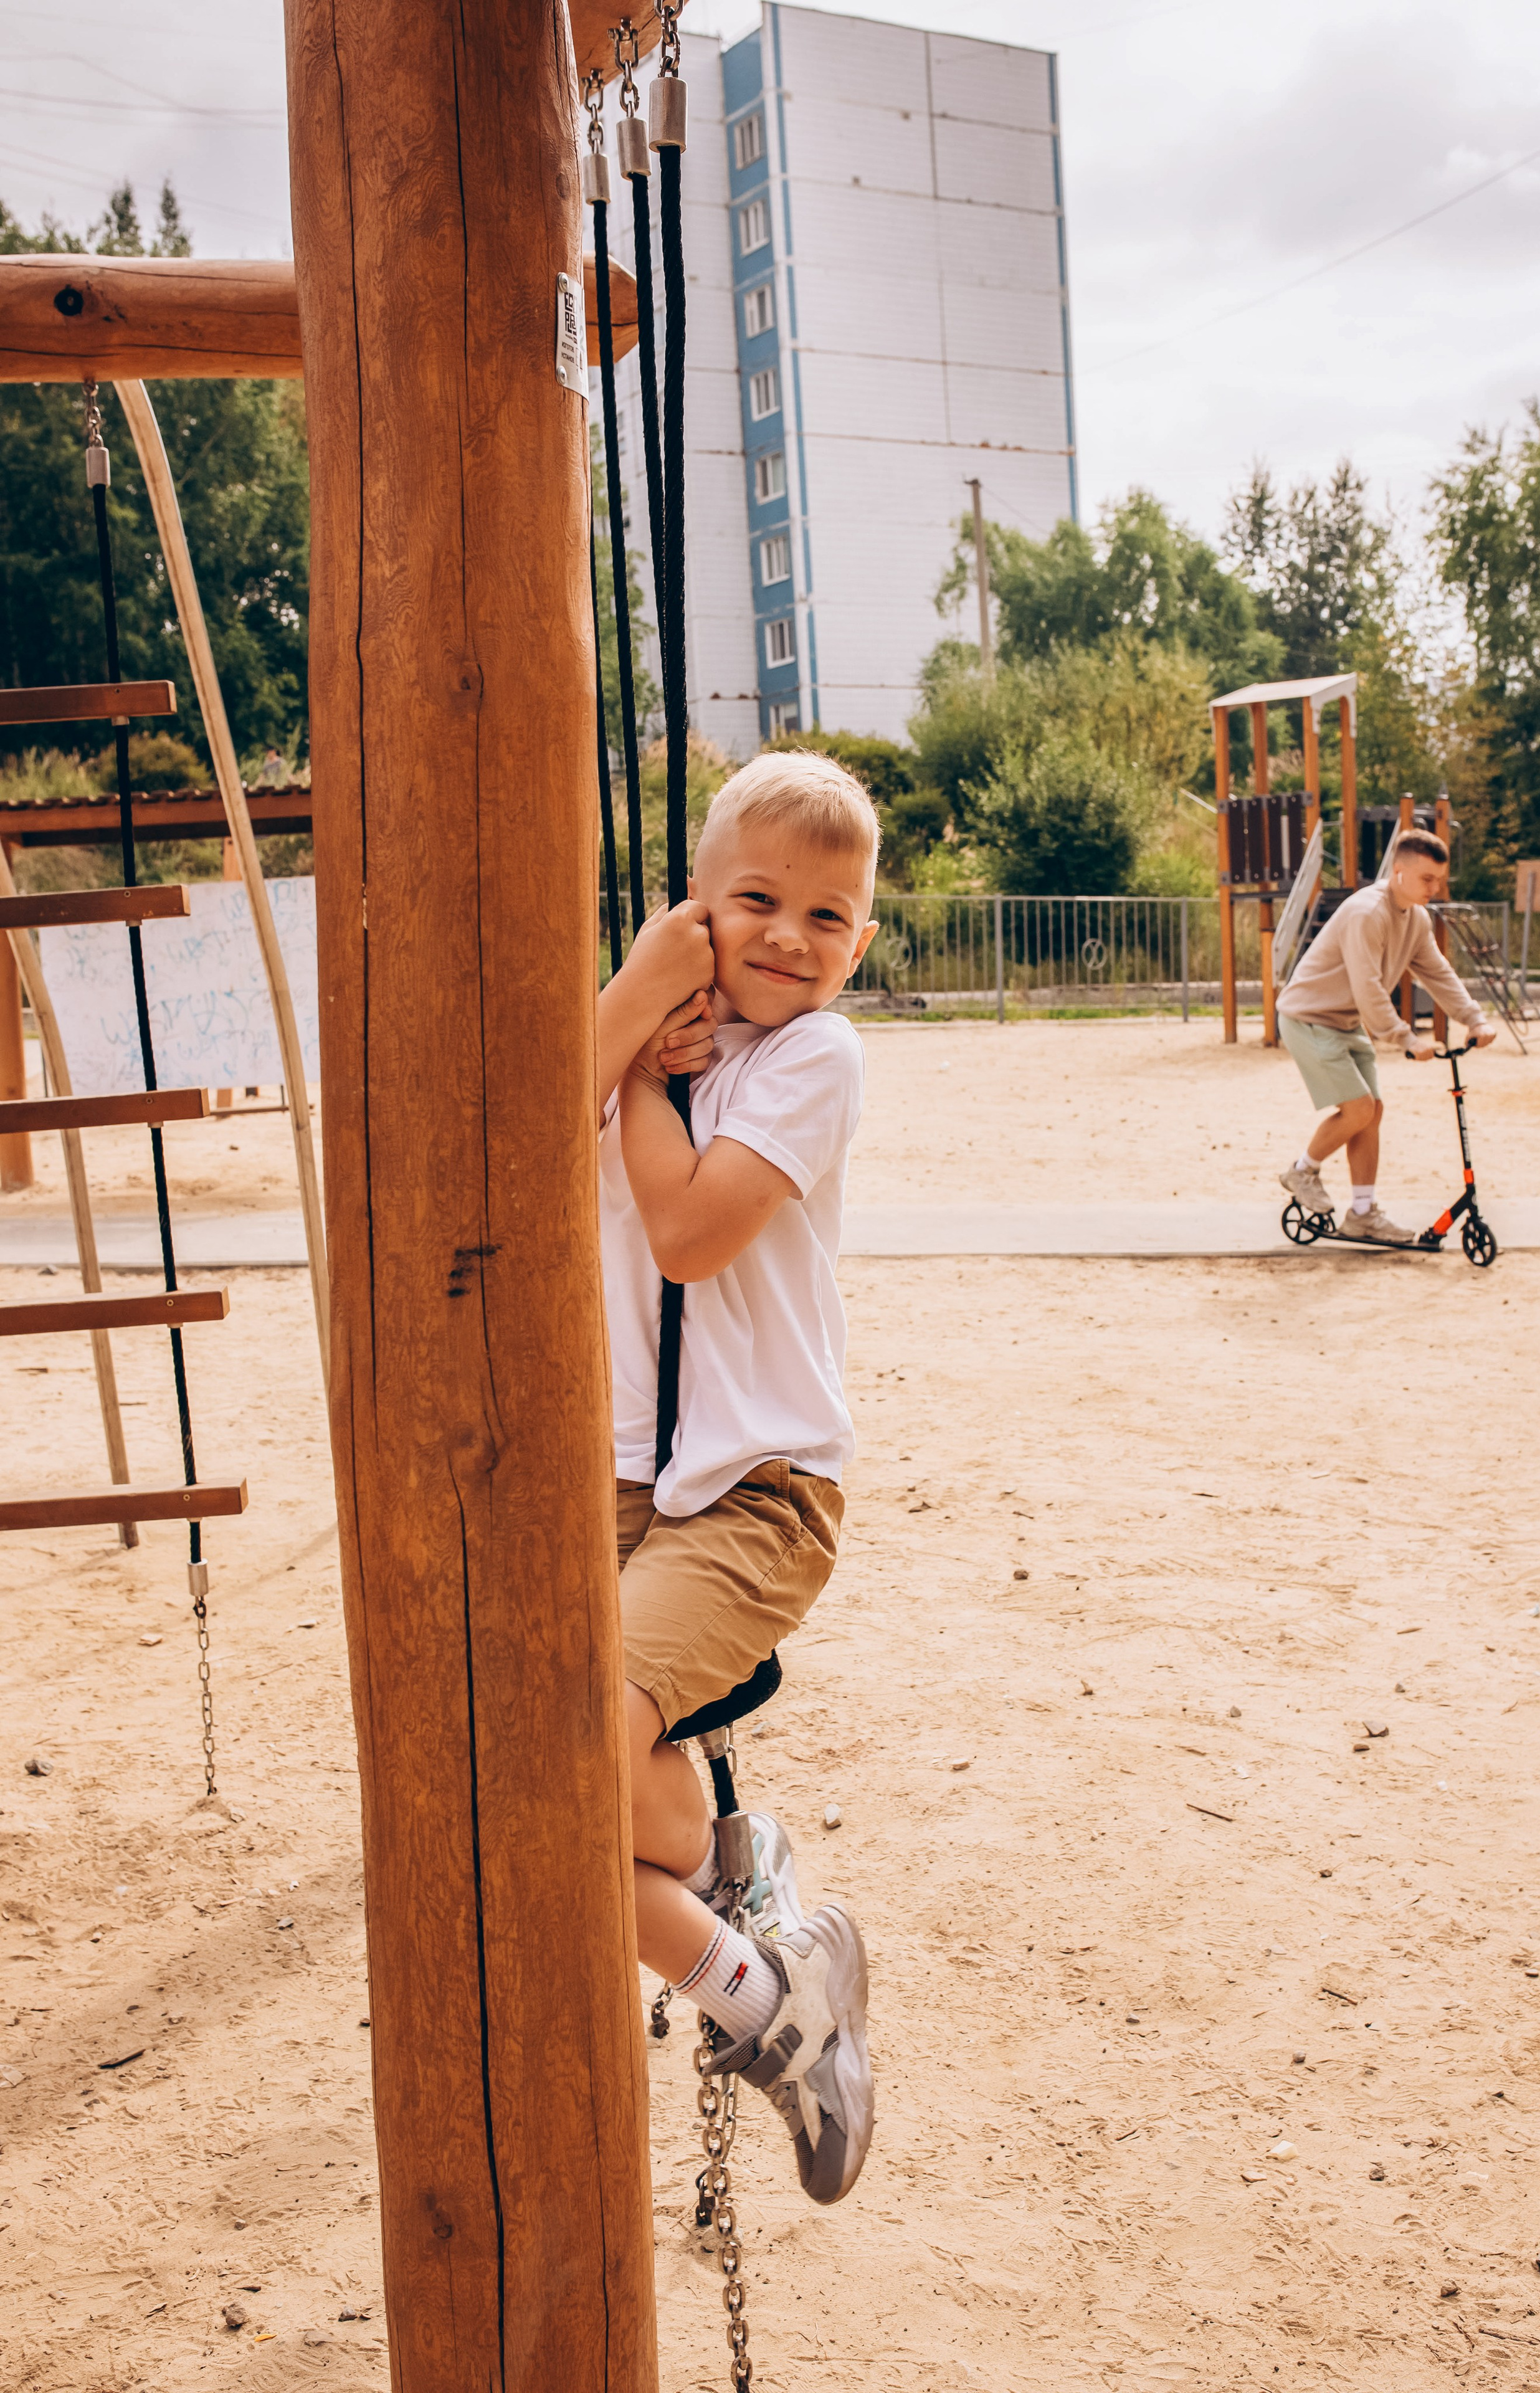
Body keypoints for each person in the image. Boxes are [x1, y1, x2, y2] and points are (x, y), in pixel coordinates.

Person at [595, 749, 880, 2206]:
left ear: (862, 943)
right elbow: (505, 1145)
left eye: (826, 916)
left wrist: (641, 1074)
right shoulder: (643, 1026)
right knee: (524, 1794)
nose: (786, 935)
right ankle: (761, 1963)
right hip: (625, 1483)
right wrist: (629, 1006)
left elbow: (689, 1233)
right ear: (690, 906)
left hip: (760, 1489)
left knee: (555, 1768)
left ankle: (748, 1963)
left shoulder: (813, 1058)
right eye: (754, 899)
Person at [1277, 827, 1495, 1244]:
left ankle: (1362, 1214)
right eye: (1427, 879)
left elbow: (1437, 972)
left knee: (1372, 1112)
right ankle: (1302, 1171)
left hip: (1345, 1021)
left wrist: (1474, 1018)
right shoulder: (1367, 913)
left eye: (1440, 879)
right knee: (1358, 1108)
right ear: (1399, 873)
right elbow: (1368, 985)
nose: (1436, 887)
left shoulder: (1416, 918)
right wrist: (1405, 1038)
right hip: (1309, 1017)